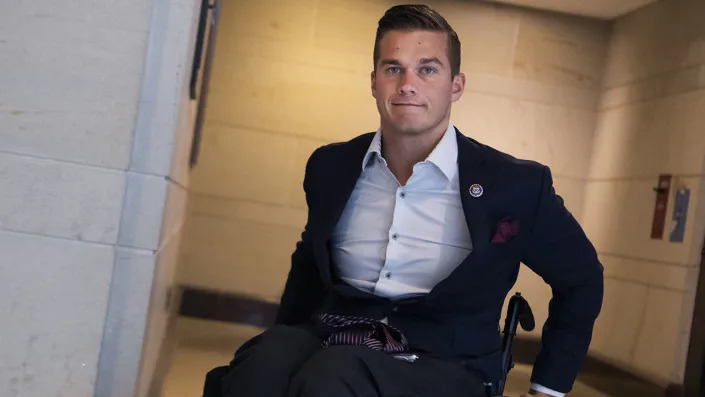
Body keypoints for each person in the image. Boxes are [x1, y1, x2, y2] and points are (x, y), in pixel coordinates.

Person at [213, 4, 603, 397]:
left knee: (333, 377)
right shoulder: (331, 166)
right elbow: (309, 266)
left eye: (428, 69)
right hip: (337, 336)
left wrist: (547, 389)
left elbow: (581, 279)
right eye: (393, 68)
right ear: (373, 81)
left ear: (456, 86)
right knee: (261, 364)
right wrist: (286, 343)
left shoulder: (514, 184)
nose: (407, 84)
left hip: (447, 362)